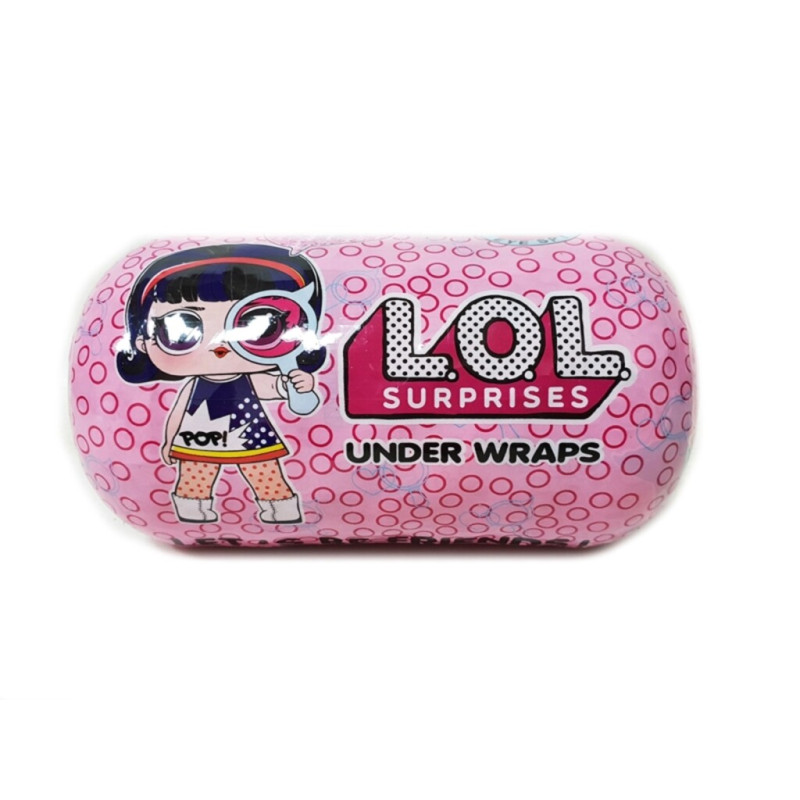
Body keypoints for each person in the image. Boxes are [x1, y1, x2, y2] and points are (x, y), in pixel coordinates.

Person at [117, 243, 326, 524]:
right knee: (195, 475)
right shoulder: (194, 387)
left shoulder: (250, 380)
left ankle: (280, 509)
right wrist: (168, 441)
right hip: (199, 438)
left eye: (259, 325)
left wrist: (296, 385)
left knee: (264, 472)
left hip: (249, 437)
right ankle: (193, 509)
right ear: (143, 342)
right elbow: (178, 412)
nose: (221, 343)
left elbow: (276, 387)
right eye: (181, 328)